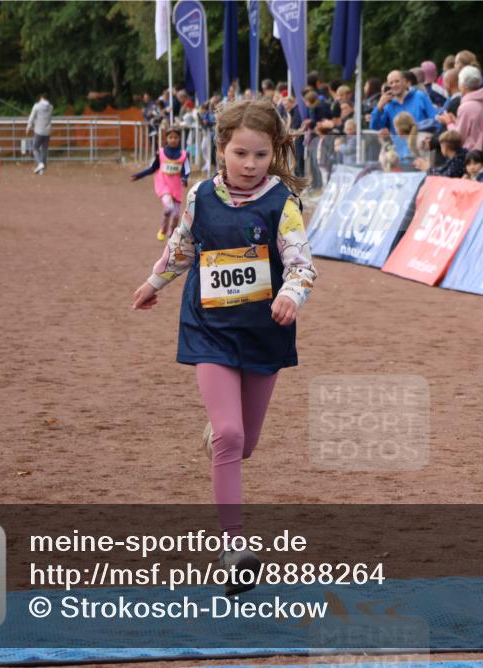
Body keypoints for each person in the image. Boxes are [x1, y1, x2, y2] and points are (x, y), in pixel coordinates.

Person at [131, 98, 317, 593]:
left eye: (259, 155)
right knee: (231, 437)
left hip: (263, 334)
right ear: (220, 149)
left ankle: (219, 438)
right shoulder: (199, 197)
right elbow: (182, 247)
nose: (250, 164)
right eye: (240, 154)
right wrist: (154, 282)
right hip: (209, 329)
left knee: (242, 444)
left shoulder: (284, 204)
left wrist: (290, 295)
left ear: (273, 153)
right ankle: (233, 548)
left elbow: (302, 265)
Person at [132, 124, 190, 240]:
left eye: (175, 137)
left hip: (176, 186)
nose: (173, 140)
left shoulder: (184, 155)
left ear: (179, 139)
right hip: (163, 183)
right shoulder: (160, 153)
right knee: (168, 207)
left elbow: (186, 170)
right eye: (170, 137)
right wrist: (139, 175)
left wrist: (184, 178)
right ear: (166, 139)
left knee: (176, 215)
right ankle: (163, 229)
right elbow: (153, 168)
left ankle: (171, 234)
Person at [369, 69, 437, 134]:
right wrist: (379, 107)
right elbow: (374, 127)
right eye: (391, 83)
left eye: (397, 81)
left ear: (404, 81)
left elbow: (434, 119)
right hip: (399, 145)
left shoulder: (420, 96)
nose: (394, 85)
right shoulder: (388, 105)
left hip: (420, 142)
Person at [449, 66, 483, 152]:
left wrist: (449, 123)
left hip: (472, 156)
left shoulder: (466, 107)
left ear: (464, 86)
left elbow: (458, 138)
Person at [26, 92, 53, 174]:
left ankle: (40, 163)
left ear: (41, 97)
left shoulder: (36, 106)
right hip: (47, 131)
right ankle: (42, 169)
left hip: (39, 131)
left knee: (35, 148)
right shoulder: (51, 107)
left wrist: (28, 127)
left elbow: (31, 117)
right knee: (44, 150)